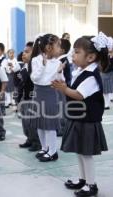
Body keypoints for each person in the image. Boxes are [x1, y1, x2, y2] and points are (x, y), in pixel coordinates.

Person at [52, 32, 109, 197]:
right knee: (80, 152)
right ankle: (83, 180)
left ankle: (91, 185)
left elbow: (79, 94)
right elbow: (72, 88)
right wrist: (63, 85)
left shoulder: (91, 76)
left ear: (90, 57)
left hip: (87, 120)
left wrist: (64, 89)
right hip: (79, 118)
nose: (73, 55)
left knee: (86, 154)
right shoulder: (81, 70)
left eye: (77, 52)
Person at [30, 34, 64, 162]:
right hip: (38, 93)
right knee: (40, 124)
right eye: (58, 45)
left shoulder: (58, 62)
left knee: (49, 124)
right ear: (49, 47)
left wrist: (60, 72)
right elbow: (34, 78)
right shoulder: (36, 60)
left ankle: (53, 151)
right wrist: (43, 65)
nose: (60, 49)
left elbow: (61, 81)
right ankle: (44, 148)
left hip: (50, 93)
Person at [16, 42, 41, 152]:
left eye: (27, 52)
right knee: (25, 122)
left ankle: (37, 142)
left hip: (32, 99)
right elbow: (20, 84)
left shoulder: (34, 68)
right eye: (23, 52)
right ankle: (29, 139)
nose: (23, 54)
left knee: (32, 122)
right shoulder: (23, 68)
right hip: (24, 99)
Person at [100, 36, 113, 111]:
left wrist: (112, 56)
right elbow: (101, 64)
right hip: (103, 73)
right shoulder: (103, 54)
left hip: (111, 73)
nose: (110, 48)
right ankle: (106, 104)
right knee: (105, 90)